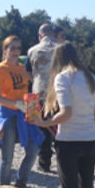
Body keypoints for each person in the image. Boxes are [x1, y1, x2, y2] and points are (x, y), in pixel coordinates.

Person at [32, 43, 95, 188]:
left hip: (69, 141)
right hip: (89, 140)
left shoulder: (63, 78)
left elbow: (66, 113)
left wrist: (44, 123)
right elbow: (94, 116)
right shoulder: (91, 78)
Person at [0, 36, 43, 188]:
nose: (15, 51)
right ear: (5, 50)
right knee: (8, 158)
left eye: (18, 48)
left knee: (34, 149)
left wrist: (33, 107)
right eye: (12, 48)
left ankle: (21, 183)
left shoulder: (21, 68)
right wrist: (16, 104)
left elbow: (31, 87)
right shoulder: (0, 69)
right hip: (8, 116)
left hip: (25, 112)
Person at [26, 23, 58, 172]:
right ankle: (63, 161)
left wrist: (36, 81)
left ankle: (43, 163)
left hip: (37, 93)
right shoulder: (62, 48)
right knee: (59, 127)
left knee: (40, 129)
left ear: (40, 36)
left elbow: (27, 73)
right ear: (54, 34)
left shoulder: (32, 50)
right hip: (58, 93)